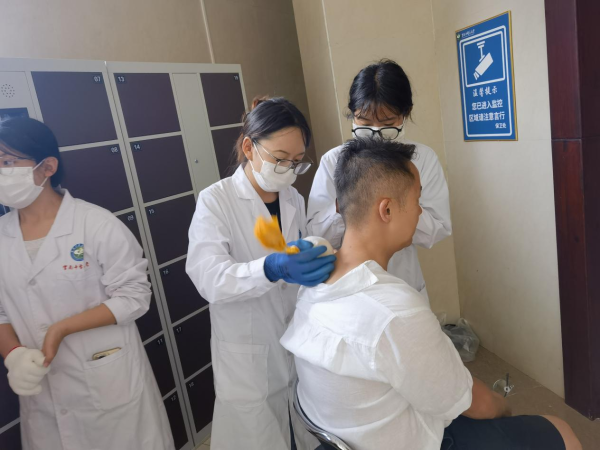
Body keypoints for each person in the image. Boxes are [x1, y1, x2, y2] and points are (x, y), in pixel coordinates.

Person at [281, 138, 581, 450]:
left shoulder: (313, 282)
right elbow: (475, 404)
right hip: (408, 441)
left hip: (346, 435)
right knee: (560, 430)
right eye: (417, 199)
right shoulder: (394, 311)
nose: (420, 211)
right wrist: (503, 409)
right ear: (386, 209)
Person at [0, 118, 174, 450]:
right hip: (43, 400)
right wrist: (13, 354)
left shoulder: (96, 224)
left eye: (7, 162)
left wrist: (61, 329)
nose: (1, 171)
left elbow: (135, 296)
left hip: (108, 389)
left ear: (47, 167)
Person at [186, 97, 335, 450]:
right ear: (249, 147)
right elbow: (208, 277)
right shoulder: (216, 200)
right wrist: (270, 268)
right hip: (248, 354)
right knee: (256, 435)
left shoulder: (293, 199)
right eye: (280, 159)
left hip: (293, 340)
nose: (288, 169)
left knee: (300, 430)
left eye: (297, 162)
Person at [307, 59, 451, 303]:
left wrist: (401, 206)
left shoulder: (422, 159)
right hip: (349, 285)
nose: (375, 133)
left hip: (403, 281)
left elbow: (438, 228)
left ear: (405, 115)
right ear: (352, 115)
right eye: (364, 123)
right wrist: (348, 206)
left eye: (387, 124)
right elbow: (316, 232)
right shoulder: (333, 161)